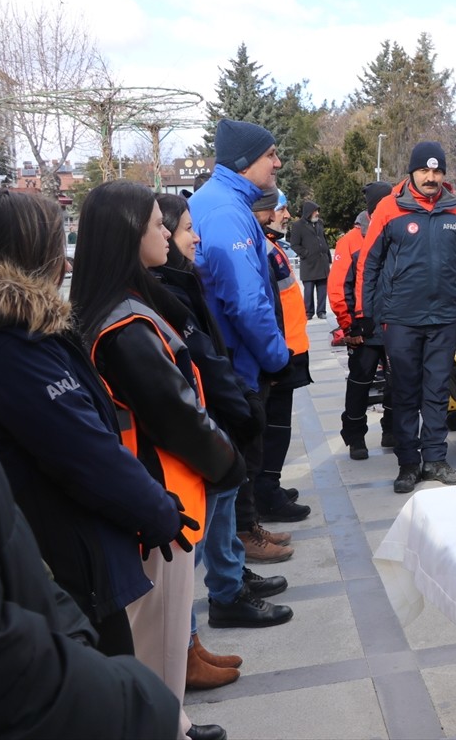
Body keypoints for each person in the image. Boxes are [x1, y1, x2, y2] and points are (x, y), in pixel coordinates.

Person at [71, 179, 247, 740]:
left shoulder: (124, 305)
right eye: (157, 225)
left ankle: (174, 719)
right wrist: (229, 463)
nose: (168, 235)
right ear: (129, 235)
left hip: (156, 498)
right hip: (160, 501)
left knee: (163, 636)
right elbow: (177, 415)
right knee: (158, 639)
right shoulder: (125, 324)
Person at [0, 188, 187, 657]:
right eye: (55, 250)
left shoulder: (20, 333)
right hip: (62, 562)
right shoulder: (14, 347)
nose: (65, 266)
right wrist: (157, 510)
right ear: (25, 254)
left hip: (60, 552)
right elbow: (85, 452)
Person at [0, 381, 182, 740]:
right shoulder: (13, 353)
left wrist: (74, 635)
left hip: (64, 605)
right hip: (61, 609)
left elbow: (10, 537)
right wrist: (135, 702)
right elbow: (88, 451)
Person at [153, 194, 289, 692]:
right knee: (204, 521)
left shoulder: (182, 279)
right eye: (182, 228)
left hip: (218, 408)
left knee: (226, 504)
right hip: (202, 424)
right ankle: (215, 608)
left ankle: (221, 598)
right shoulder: (158, 292)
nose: (192, 237)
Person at [187, 118, 296, 628]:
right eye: (271, 154)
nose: (277, 163)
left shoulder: (223, 203)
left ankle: (232, 575)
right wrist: (276, 356)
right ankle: (227, 592)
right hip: (236, 365)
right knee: (231, 476)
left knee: (234, 477)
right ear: (242, 161)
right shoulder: (227, 211)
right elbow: (246, 300)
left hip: (232, 361)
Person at [355, 141, 456, 494]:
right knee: (405, 391)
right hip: (400, 319)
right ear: (412, 172)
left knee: (437, 391)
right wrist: (364, 313)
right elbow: (369, 263)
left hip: (442, 317)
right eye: (424, 171)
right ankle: (409, 463)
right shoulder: (389, 208)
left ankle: (436, 459)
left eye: (437, 171)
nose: (431, 177)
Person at [257, 189, 314, 524]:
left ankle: (269, 485)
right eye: (280, 208)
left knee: (277, 426)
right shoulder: (263, 247)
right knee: (274, 427)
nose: (287, 214)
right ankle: (266, 493)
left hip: (288, 348)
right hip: (279, 352)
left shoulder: (272, 246)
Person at [331, 181, 394, 460]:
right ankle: (355, 436)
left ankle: (391, 429)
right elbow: (338, 287)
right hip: (363, 328)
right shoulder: (350, 241)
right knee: (360, 382)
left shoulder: (396, 231)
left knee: (398, 382)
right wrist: (348, 326)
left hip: (394, 326)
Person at [288, 199, 330, 320]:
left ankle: (321, 311)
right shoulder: (297, 226)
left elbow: (324, 239)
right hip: (309, 264)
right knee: (309, 290)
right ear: (308, 212)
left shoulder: (319, 223)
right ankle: (308, 312)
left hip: (322, 262)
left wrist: (327, 256)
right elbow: (294, 244)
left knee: (322, 289)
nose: (317, 213)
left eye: (317, 211)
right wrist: (306, 253)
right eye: (315, 211)